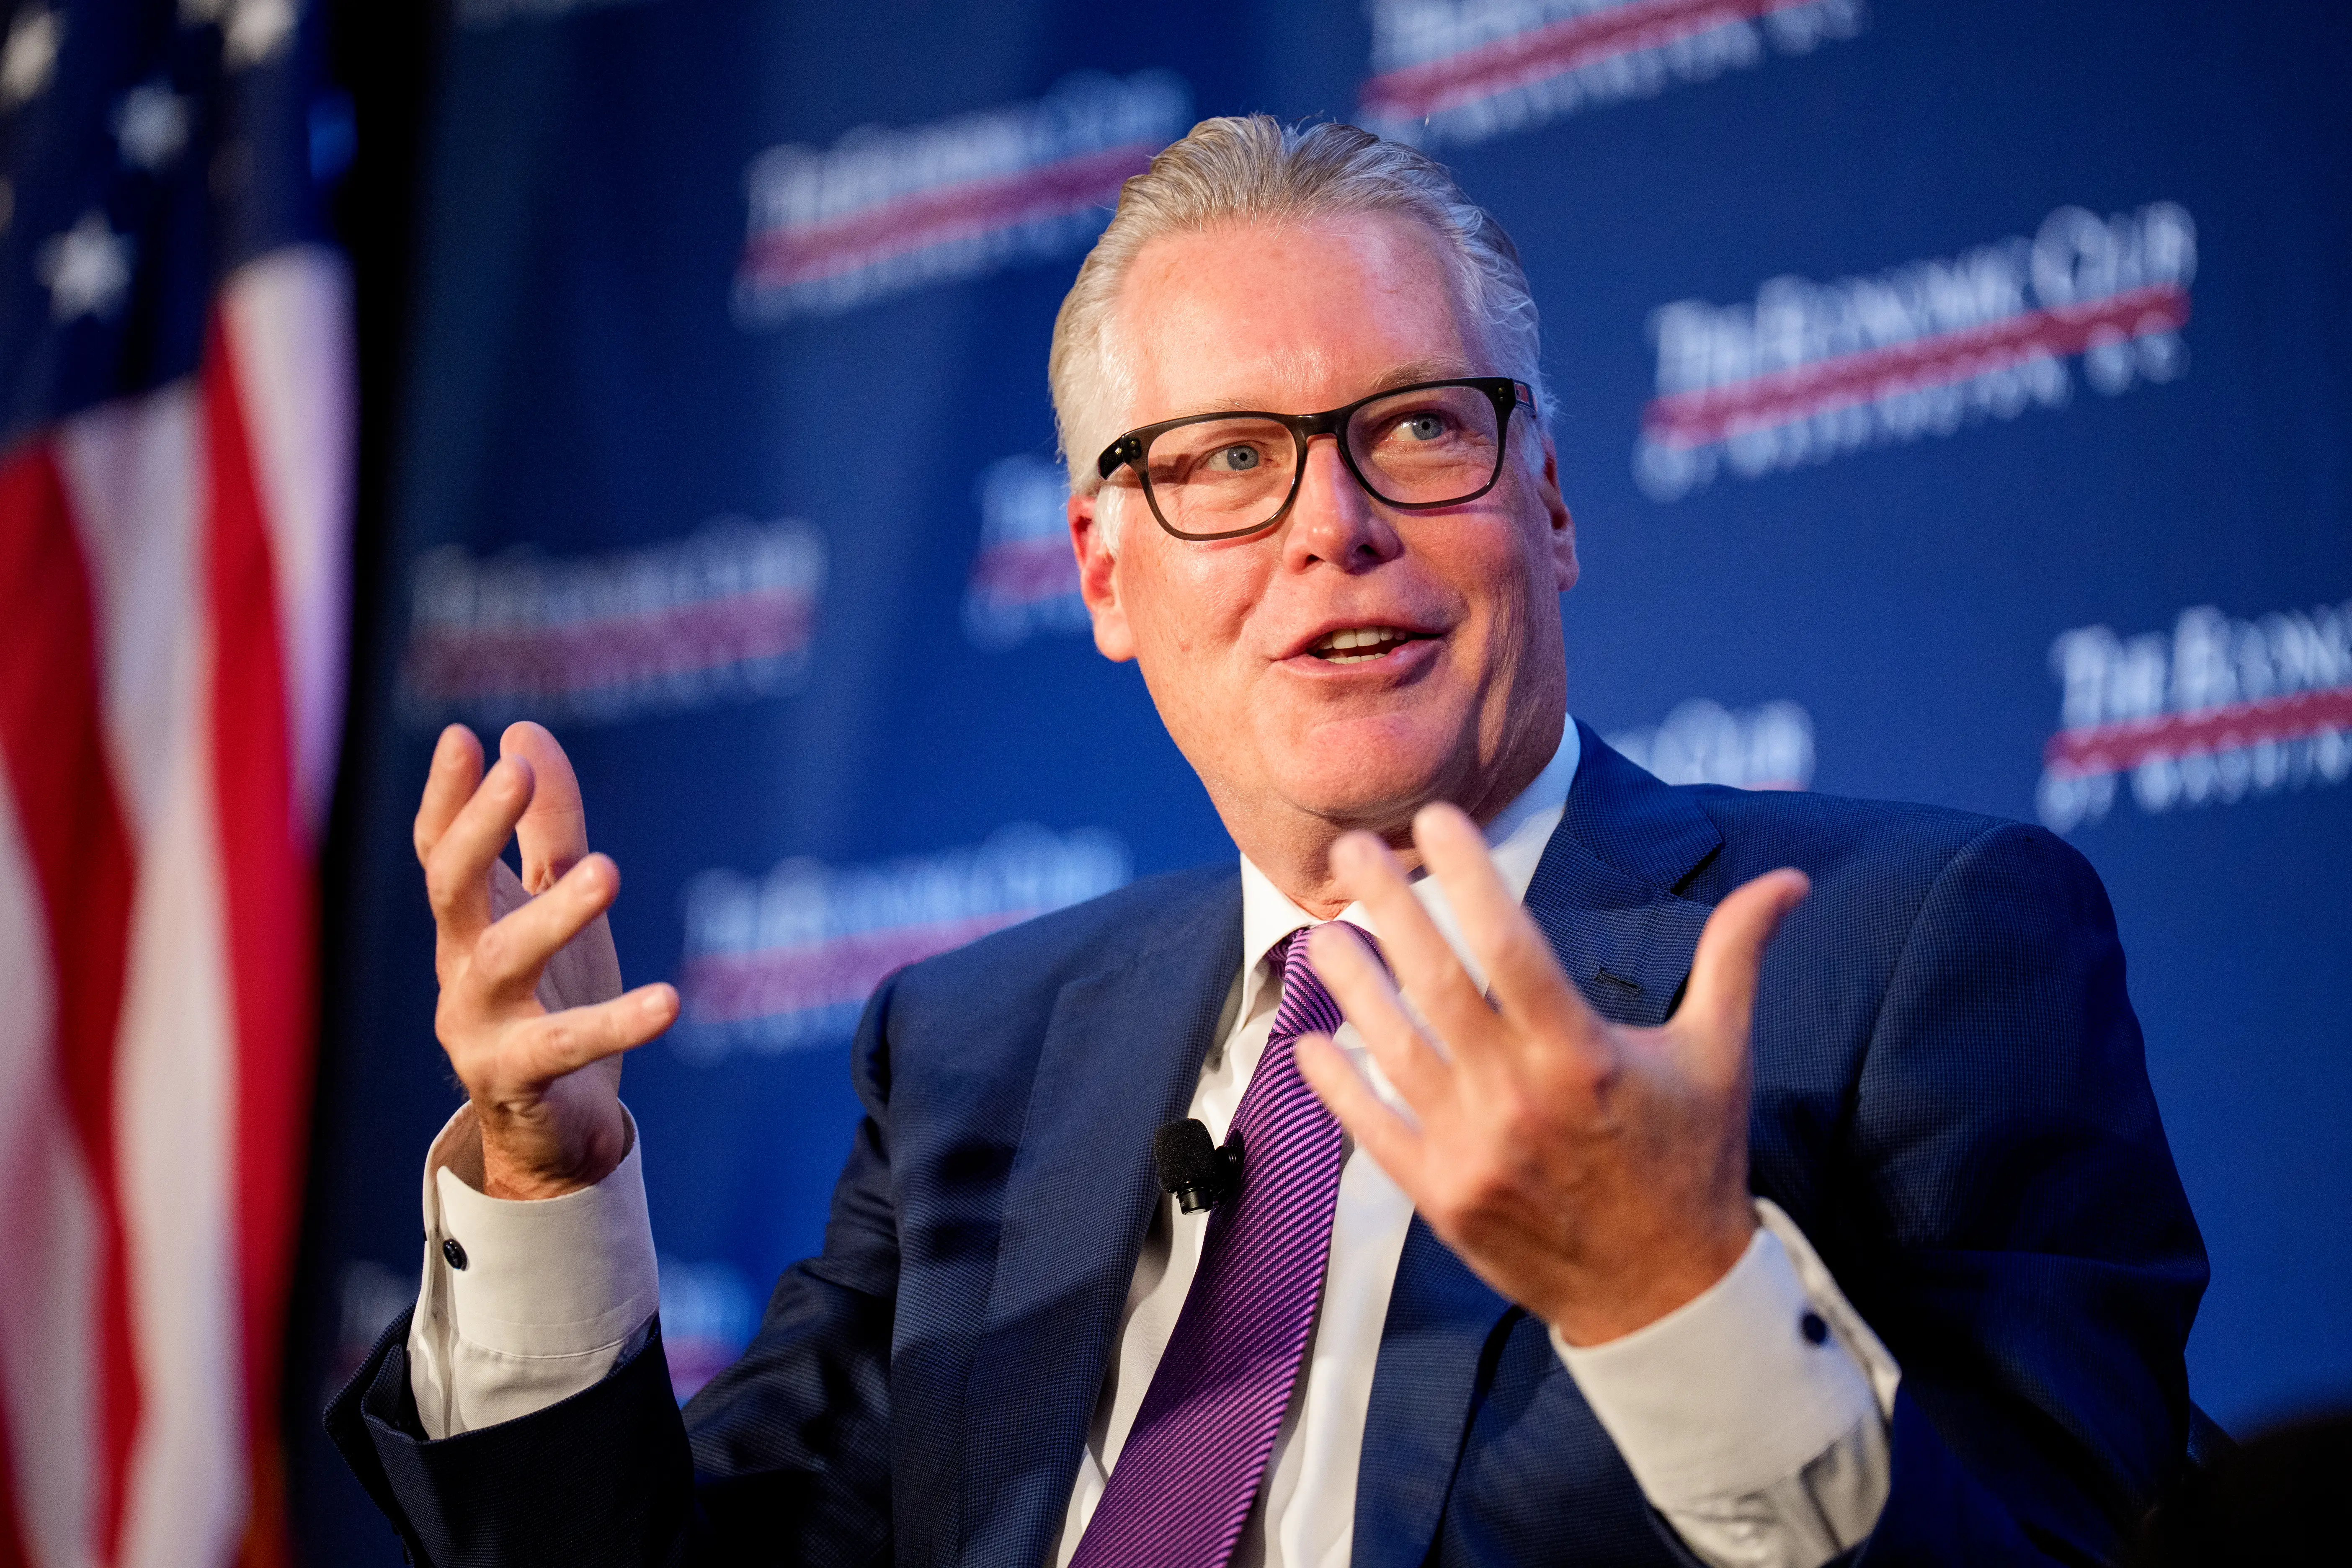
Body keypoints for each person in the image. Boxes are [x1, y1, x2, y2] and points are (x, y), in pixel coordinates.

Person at [328, 117, 2207, 1568]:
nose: (1333, 525)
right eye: (1227, 458)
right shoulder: (976, 1050)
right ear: (1103, 575)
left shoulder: (1910, 950)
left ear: (1549, 503)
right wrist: (545, 1178)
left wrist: (1674, 1294)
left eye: (1417, 428)